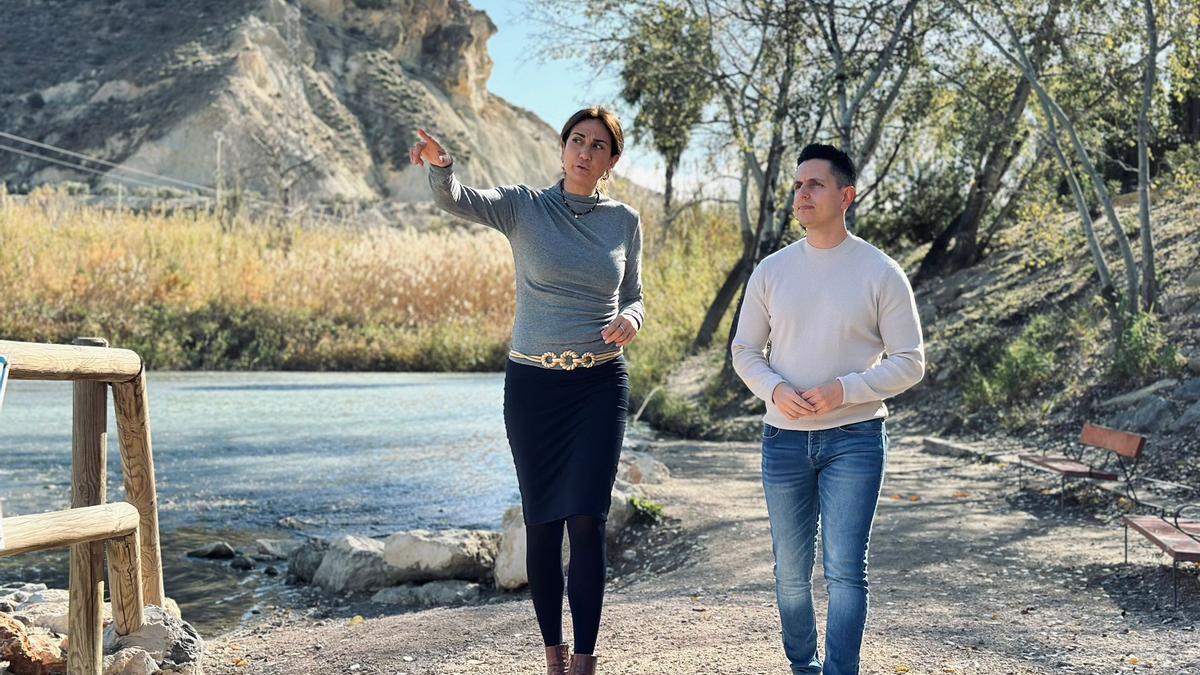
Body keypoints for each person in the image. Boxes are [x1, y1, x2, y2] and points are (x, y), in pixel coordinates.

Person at [410, 107, 643, 675]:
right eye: (575, 140)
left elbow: (634, 294)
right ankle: (553, 657)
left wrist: (633, 320)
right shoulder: (524, 206)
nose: (584, 151)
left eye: (597, 145)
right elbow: (455, 198)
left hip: (599, 384)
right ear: (562, 149)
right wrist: (442, 166)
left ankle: (585, 663)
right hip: (534, 387)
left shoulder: (624, 221)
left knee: (587, 520)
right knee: (543, 525)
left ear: (612, 160)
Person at [731, 143, 924, 675]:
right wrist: (773, 389)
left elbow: (911, 362)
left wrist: (847, 389)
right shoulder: (772, 270)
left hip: (856, 438)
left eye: (815, 184)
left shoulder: (881, 272)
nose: (802, 193)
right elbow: (744, 350)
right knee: (791, 575)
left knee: (845, 572)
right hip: (784, 440)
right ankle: (803, 666)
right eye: (797, 185)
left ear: (847, 196)